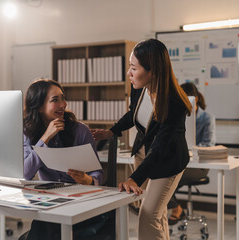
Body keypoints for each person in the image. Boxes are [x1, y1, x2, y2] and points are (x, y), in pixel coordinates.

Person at [91, 38, 192, 239]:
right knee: (157, 214)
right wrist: (112, 131)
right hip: (143, 154)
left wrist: (133, 178)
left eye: (134, 68)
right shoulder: (139, 87)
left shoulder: (174, 103)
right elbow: (133, 114)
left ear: (152, 71)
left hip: (167, 162)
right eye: (130, 66)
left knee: (149, 214)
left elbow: (161, 147)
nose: (129, 73)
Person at [20, 79, 104, 240]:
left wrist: (88, 180)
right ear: (38, 107)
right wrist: (45, 139)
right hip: (50, 201)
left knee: (45, 228)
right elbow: (25, 173)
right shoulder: (28, 131)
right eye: (55, 100)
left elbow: (97, 172)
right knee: (45, 224)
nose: (63, 104)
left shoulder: (80, 131)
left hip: (82, 199)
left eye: (63, 98)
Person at [168, 82, 216, 225]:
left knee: (169, 177)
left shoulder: (207, 119)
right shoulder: (178, 116)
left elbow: (208, 145)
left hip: (199, 165)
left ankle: (175, 208)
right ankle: (175, 207)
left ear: (195, 100)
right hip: (181, 161)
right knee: (160, 174)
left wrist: (187, 151)